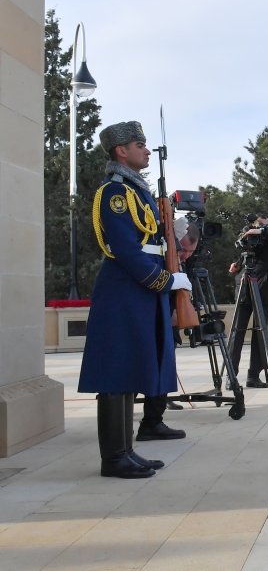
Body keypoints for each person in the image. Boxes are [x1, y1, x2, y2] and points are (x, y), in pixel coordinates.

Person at [78, 121, 194, 478]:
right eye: (139, 145)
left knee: (129, 370)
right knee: (116, 371)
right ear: (121, 151)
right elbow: (126, 250)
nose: (146, 150)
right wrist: (164, 281)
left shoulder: (136, 190)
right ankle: (113, 458)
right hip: (125, 288)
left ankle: (125, 450)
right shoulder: (115, 193)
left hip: (139, 290)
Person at [136, 219, 202, 437]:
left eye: (190, 252)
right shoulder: (158, 255)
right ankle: (124, 424)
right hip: (150, 319)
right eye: (183, 250)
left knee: (162, 372)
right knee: (137, 372)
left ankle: (153, 422)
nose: (185, 256)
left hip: (166, 323)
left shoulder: (179, 260)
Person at [227, 213, 268, 387]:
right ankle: (231, 377)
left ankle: (253, 376)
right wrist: (237, 263)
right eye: (257, 223)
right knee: (236, 333)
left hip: (265, 290)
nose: (258, 224)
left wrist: (263, 230)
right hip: (245, 288)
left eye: (262, 222)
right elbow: (244, 251)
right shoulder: (248, 231)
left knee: (259, 335)